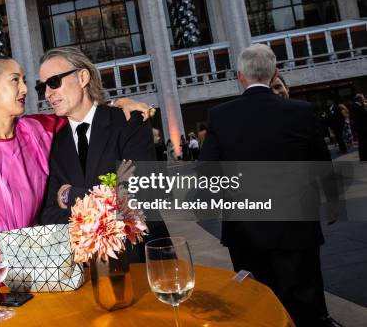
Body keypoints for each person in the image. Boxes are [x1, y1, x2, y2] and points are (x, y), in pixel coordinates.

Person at [0, 49, 152, 325]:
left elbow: (84, 112)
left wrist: (118, 102)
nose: (29, 91)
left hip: (55, 272)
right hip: (3, 285)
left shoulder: (37, 130)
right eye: (17, 81)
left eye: (26, 81)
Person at [200, 43, 340, 327]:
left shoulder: (220, 116)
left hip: (246, 230)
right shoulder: (301, 111)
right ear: (275, 72)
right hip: (297, 226)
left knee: (259, 302)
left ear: (241, 76)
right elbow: (322, 164)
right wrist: (334, 202)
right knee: (305, 302)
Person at [38, 46, 169, 262]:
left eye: (53, 82)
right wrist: (111, 191)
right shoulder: (53, 143)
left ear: (82, 77)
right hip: (85, 270)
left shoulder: (130, 122)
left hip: (141, 261)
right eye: (42, 87)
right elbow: (49, 215)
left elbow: (142, 200)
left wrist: (69, 195)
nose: (47, 94)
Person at [350, 93, 367, 161]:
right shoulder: (357, 106)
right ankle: (364, 157)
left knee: (362, 143)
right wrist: (364, 105)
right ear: (360, 99)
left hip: (361, 127)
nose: (364, 99)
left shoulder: (355, 105)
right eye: (363, 98)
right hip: (362, 127)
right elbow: (363, 115)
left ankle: (363, 157)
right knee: (363, 143)